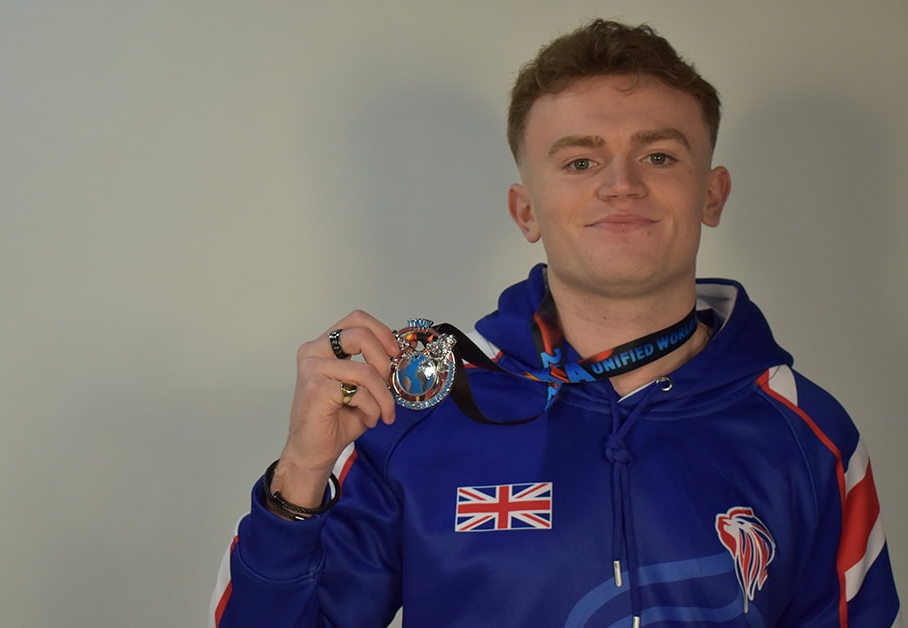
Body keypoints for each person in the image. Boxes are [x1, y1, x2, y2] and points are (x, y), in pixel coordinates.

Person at [210, 19, 901, 627]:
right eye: (580, 160)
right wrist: (301, 472)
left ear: (712, 194)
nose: (621, 183)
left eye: (659, 155)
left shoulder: (812, 436)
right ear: (526, 211)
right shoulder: (418, 414)